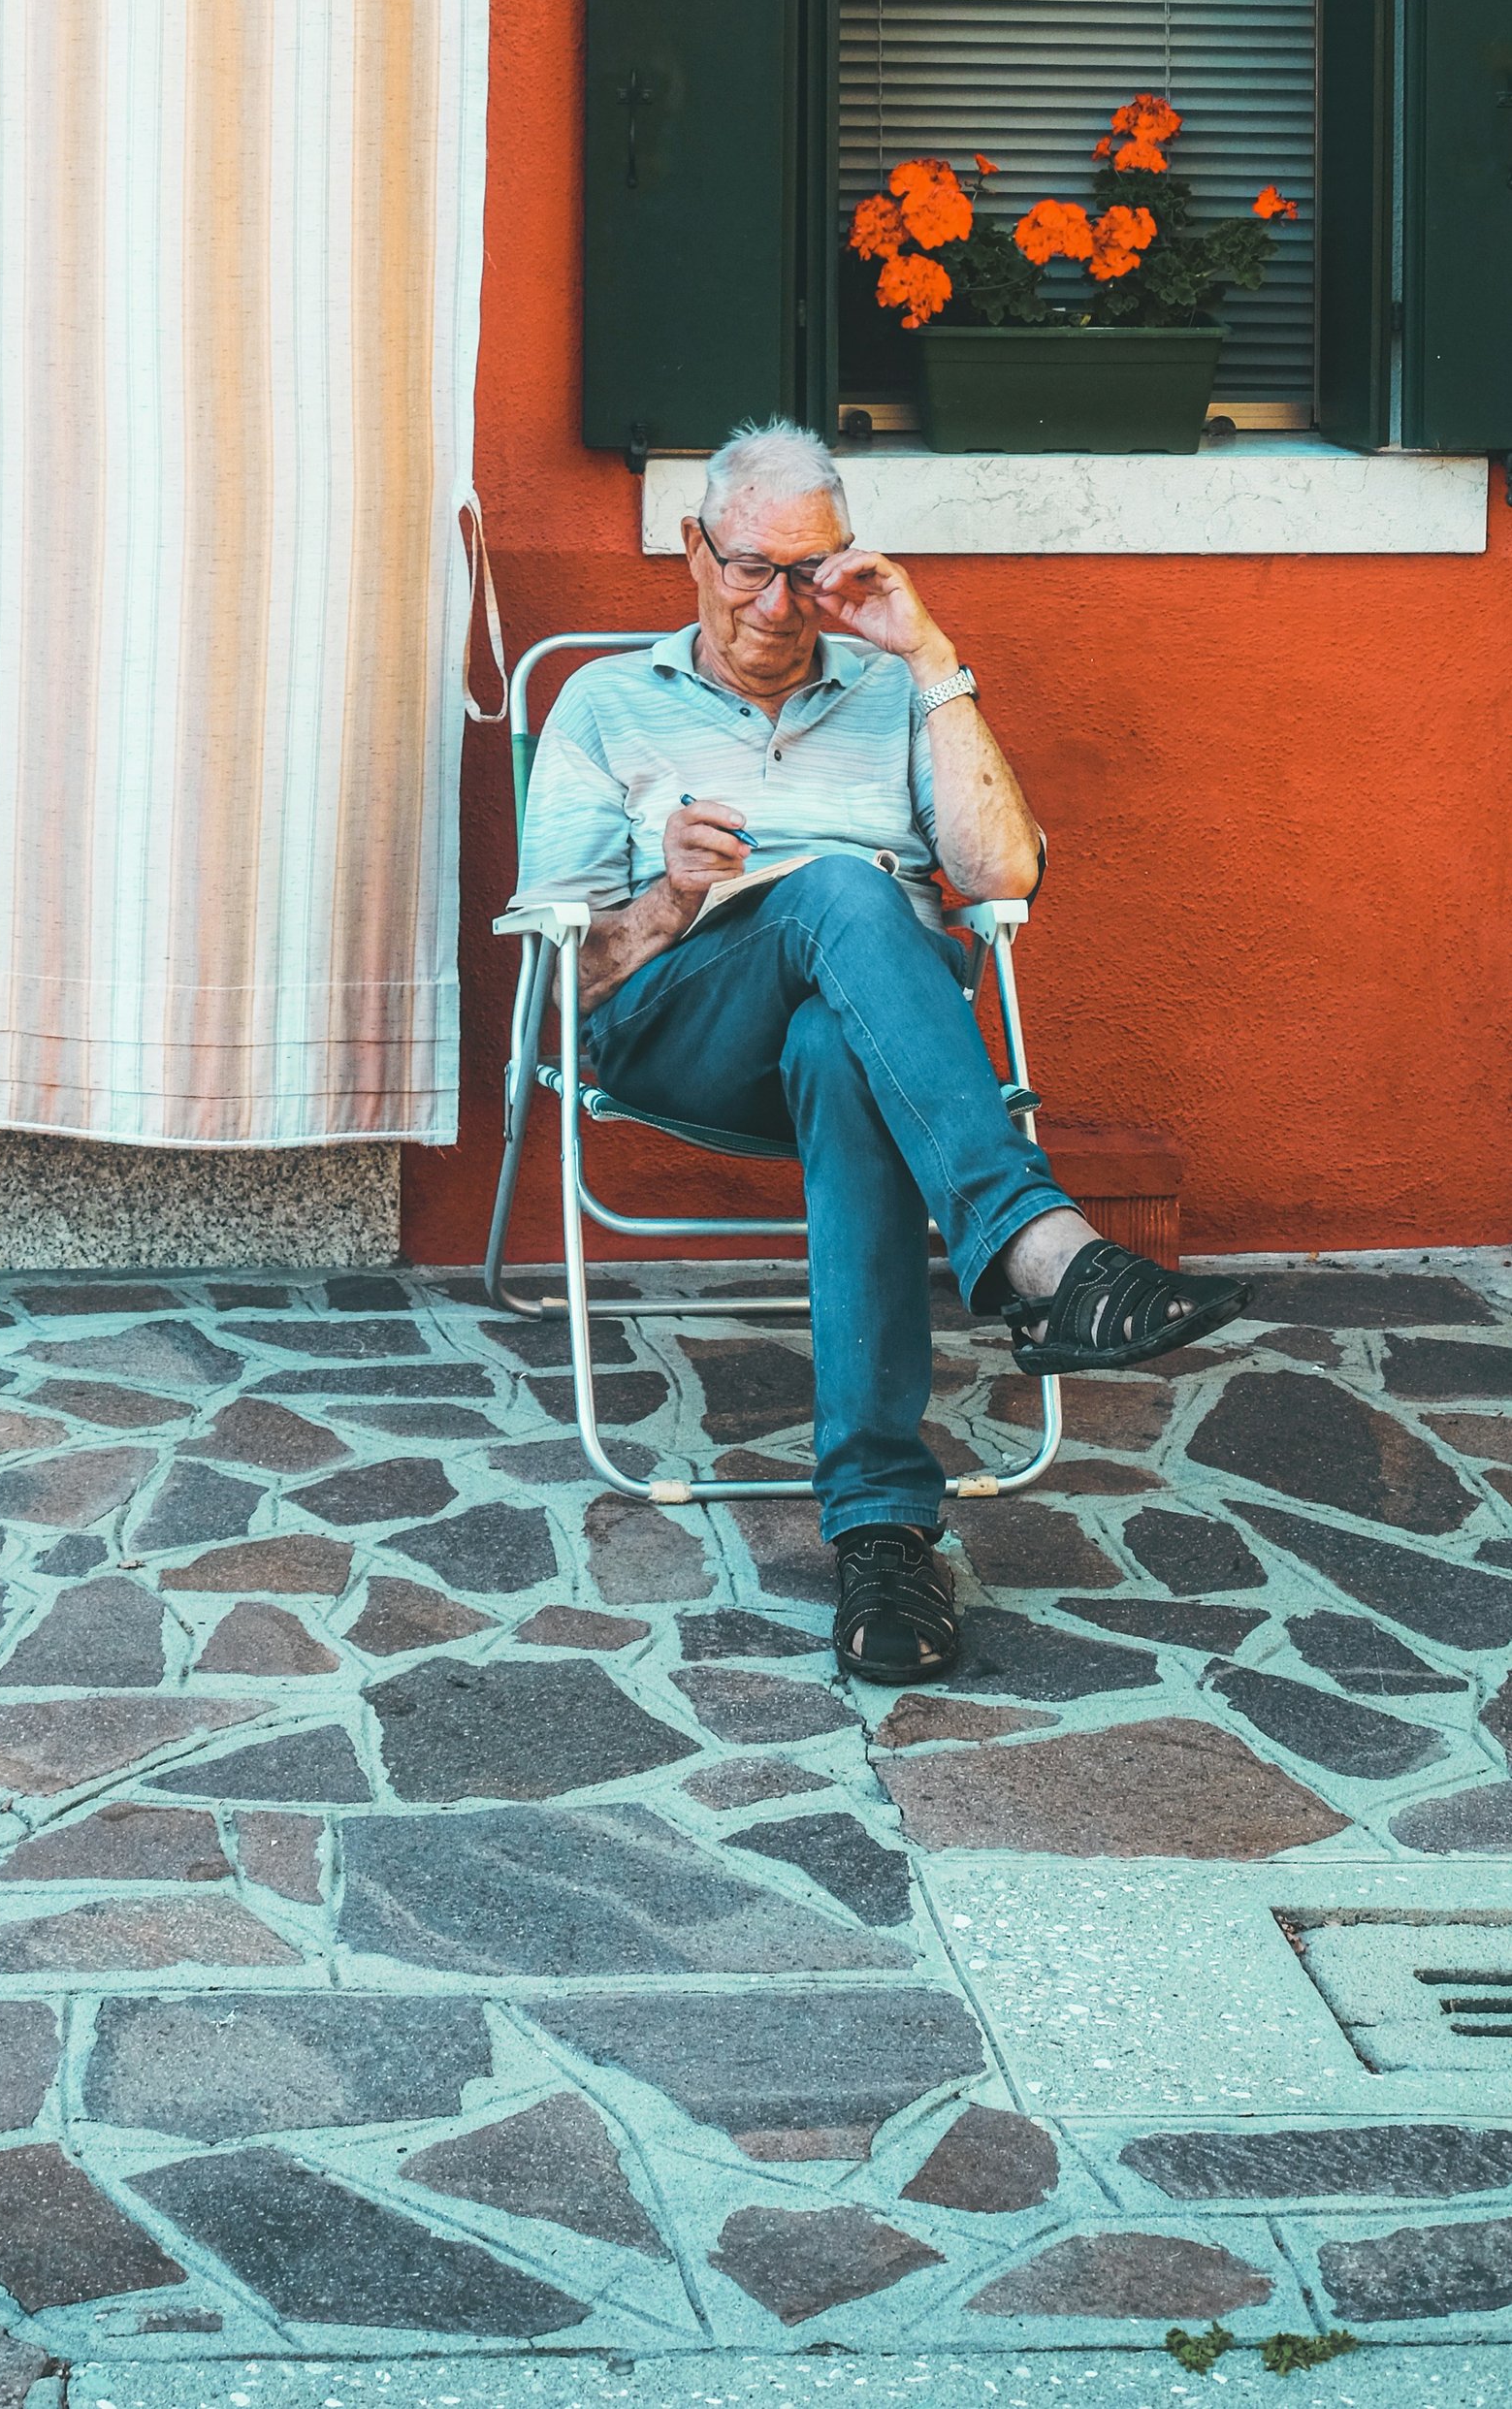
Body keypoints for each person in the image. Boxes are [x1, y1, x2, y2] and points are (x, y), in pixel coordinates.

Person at [508, 416, 1249, 1686]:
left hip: (872, 1035)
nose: (778, 603)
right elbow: (566, 976)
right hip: (676, 1020)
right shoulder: (605, 702)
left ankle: (884, 1536)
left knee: (845, 1046)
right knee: (847, 890)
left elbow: (1001, 875)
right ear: (693, 548)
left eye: (809, 572)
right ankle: (1037, 1249)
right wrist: (671, 897)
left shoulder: (893, 688)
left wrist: (933, 653)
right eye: (749, 566)